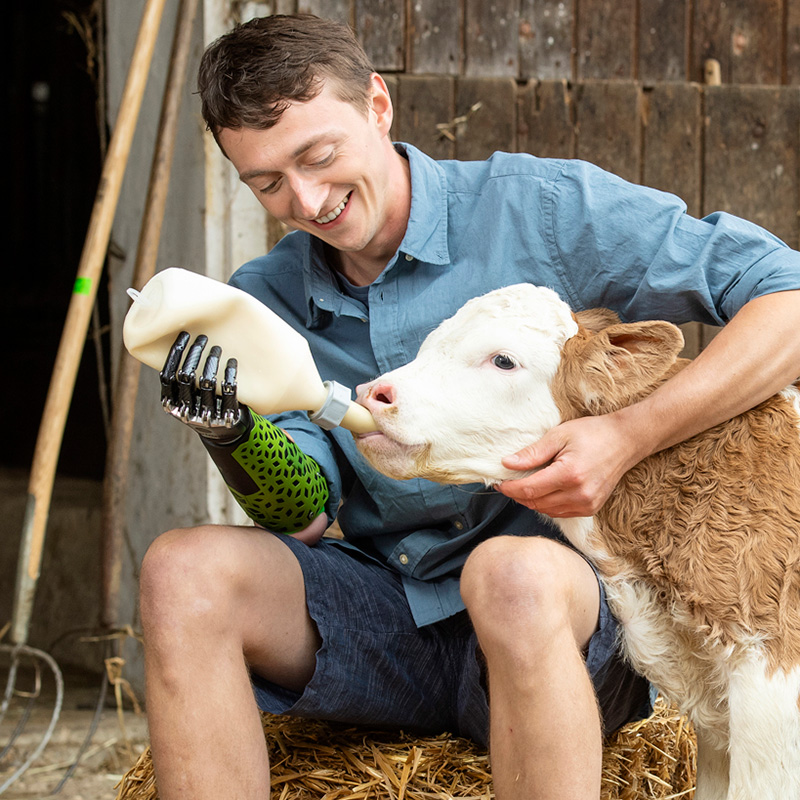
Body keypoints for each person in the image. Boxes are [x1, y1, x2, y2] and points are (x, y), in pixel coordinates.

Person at [138, 13, 800, 800]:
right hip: (392, 622)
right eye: (267, 183)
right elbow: (308, 513)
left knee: (509, 570)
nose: (307, 201)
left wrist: (626, 436)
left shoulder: (544, 210)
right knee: (182, 570)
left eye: (319, 157)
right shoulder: (266, 300)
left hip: (560, 622)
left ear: (377, 105)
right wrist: (235, 434)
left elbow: (786, 295)